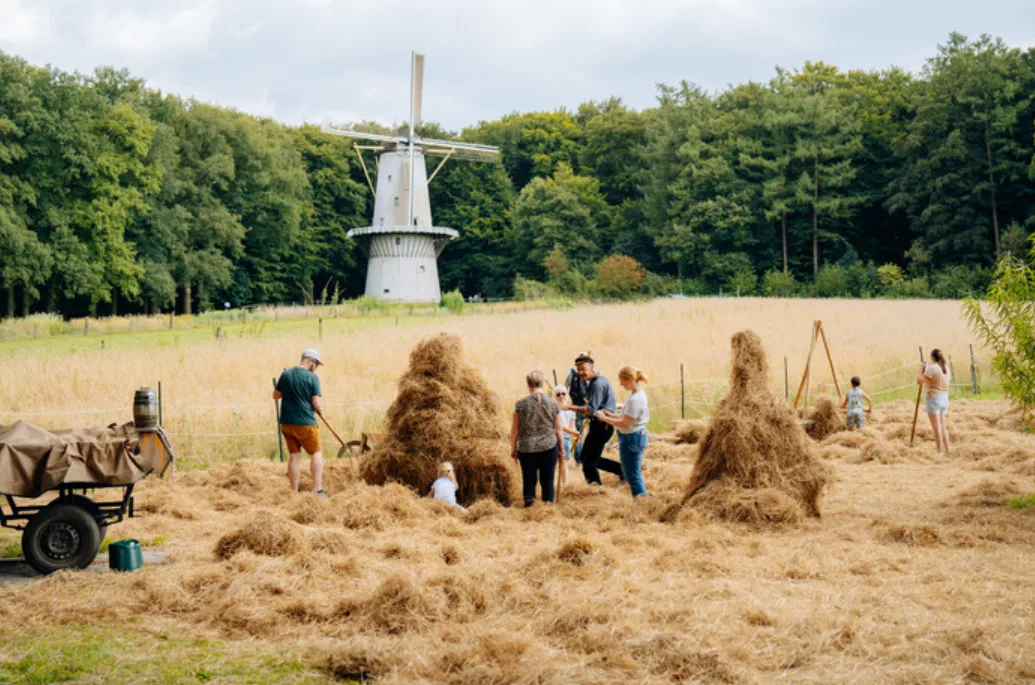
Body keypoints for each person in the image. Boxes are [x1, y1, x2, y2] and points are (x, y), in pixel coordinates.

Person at [273, 349, 326, 496]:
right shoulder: (312, 378)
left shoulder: (286, 374)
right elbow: (316, 402)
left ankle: (293, 491)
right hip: (306, 423)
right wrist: (320, 410)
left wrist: (287, 388)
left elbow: (276, 396)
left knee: (294, 455)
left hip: (287, 423)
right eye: (316, 364)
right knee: (316, 453)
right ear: (309, 361)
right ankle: (318, 489)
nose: (316, 368)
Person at [510, 369, 565, 506]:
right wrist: (561, 448)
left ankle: (530, 508)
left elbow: (515, 430)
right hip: (549, 446)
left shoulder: (520, 404)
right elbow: (559, 430)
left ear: (528, 384)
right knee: (548, 481)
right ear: (542, 384)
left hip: (527, 448)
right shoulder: (552, 403)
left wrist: (513, 448)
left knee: (529, 480)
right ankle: (548, 508)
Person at [595, 366, 650, 498]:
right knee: (631, 472)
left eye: (621, 380)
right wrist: (612, 415)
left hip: (632, 437)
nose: (620, 384)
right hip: (634, 435)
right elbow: (626, 417)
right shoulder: (637, 395)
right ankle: (640, 498)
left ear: (629, 379)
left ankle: (641, 499)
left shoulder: (635, 399)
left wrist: (604, 418)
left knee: (632, 474)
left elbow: (625, 423)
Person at [571, 353, 623, 486]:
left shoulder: (597, 384)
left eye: (583, 369)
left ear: (592, 367)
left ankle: (596, 489)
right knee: (585, 457)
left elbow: (590, 410)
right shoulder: (593, 382)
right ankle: (622, 470)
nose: (580, 372)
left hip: (603, 426)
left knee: (589, 463)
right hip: (597, 425)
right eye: (578, 369)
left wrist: (568, 407)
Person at [918, 349, 951, 453]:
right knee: (943, 426)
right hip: (944, 398)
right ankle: (948, 450)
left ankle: (939, 451)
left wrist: (921, 369)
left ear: (932, 357)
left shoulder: (932, 368)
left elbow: (919, 381)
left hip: (934, 398)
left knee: (936, 427)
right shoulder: (946, 368)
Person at [552, 384, 581, 487]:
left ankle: (564, 485)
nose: (561, 396)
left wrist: (576, 435)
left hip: (566, 437)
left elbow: (572, 426)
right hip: (555, 437)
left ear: (567, 395)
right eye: (558, 394)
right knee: (557, 462)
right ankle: (556, 484)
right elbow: (560, 427)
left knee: (564, 461)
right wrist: (573, 433)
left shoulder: (571, 409)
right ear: (554, 397)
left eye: (563, 393)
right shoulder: (554, 409)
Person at [563, 356, 589, 464]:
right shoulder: (588, 373)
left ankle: (579, 459)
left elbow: (564, 387)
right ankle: (582, 458)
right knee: (584, 433)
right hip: (587, 407)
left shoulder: (571, 373)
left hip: (575, 406)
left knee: (578, 433)